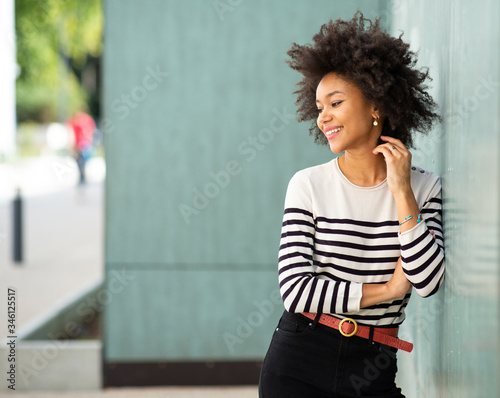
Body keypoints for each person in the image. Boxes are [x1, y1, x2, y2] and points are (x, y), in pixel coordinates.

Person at [258, 12, 445, 398]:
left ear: (376, 104)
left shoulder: (424, 189)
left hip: (374, 363)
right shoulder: (308, 185)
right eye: (319, 106)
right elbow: (295, 290)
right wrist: (388, 289)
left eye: (335, 102)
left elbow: (428, 281)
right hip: (299, 359)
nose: (322, 116)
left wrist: (401, 192)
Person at [68, 111, 96, 185]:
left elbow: (72, 134)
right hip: (86, 143)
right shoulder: (88, 119)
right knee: (82, 161)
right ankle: (83, 176)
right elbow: (93, 131)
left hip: (80, 144)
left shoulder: (76, 121)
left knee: (80, 161)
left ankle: (82, 176)